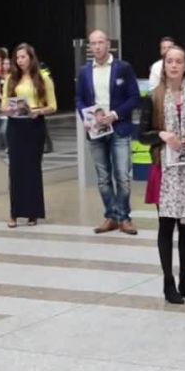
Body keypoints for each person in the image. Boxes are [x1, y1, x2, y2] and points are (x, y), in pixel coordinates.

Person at [139, 46, 185, 304]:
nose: (174, 65)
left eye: (179, 61)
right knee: (166, 225)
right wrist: (162, 135)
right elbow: (142, 134)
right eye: (170, 61)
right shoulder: (153, 96)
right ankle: (168, 284)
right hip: (166, 169)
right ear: (164, 65)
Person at [76, 30, 141, 235]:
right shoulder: (85, 71)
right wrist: (86, 117)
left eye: (100, 42)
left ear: (108, 44)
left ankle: (124, 217)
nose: (97, 47)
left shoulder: (123, 68)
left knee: (122, 175)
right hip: (96, 130)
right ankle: (111, 215)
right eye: (93, 43)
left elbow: (134, 97)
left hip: (119, 128)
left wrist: (115, 114)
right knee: (103, 177)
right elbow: (79, 99)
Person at [2, 43, 57, 228]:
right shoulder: (11, 79)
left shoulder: (43, 79)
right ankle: (14, 213)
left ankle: (33, 212)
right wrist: (9, 109)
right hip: (16, 126)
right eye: (17, 58)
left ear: (31, 58)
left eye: (23, 57)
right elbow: (3, 104)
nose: (20, 61)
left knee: (33, 169)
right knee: (15, 170)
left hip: (34, 125)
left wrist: (38, 111)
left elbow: (53, 106)